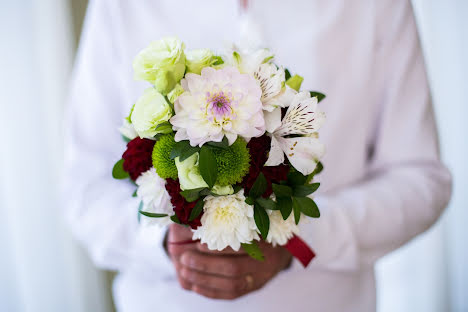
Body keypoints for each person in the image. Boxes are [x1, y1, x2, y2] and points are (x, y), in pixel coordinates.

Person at [64, 0, 452, 311]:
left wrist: (297, 238)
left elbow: (421, 180)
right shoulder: (120, 6)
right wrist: (165, 244)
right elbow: (85, 188)